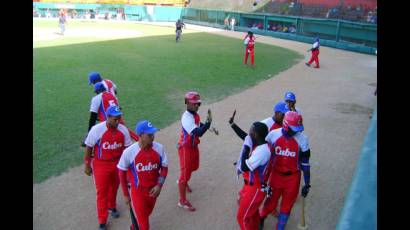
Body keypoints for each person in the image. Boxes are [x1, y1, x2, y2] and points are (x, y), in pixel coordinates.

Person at [258, 111, 311, 230]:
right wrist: (262, 178)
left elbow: (305, 164)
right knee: (270, 202)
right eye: (294, 128)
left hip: (293, 178)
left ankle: (280, 227)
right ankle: (261, 217)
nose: (297, 131)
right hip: (276, 176)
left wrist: (307, 183)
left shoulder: (303, 139)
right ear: (286, 125)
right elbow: (264, 155)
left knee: (287, 206)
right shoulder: (272, 135)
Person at [84, 105, 132, 230]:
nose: (117, 121)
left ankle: (112, 206)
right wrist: (87, 164)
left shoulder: (123, 130)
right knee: (102, 192)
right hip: (101, 164)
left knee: (114, 187)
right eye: (115, 119)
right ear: (108, 117)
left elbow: (127, 150)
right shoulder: (96, 129)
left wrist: (128, 168)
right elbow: (89, 147)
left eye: (119, 118)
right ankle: (102, 220)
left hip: (117, 164)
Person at [118, 120, 168, 230]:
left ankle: (133, 227)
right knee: (145, 225)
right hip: (137, 192)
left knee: (146, 215)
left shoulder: (160, 148)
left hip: (153, 191)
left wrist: (159, 186)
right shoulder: (129, 152)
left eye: (153, 134)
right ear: (140, 135)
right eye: (149, 135)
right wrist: (126, 195)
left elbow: (164, 168)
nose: (153, 137)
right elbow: (121, 172)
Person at [177, 91, 212, 211]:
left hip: (193, 147)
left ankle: (184, 180)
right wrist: (208, 124)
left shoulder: (194, 115)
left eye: (198, 104)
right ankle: (182, 201)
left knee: (194, 167)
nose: (197, 106)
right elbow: (199, 132)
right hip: (186, 148)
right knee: (185, 174)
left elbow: (198, 124)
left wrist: (209, 127)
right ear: (187, 103)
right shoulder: (186, 118)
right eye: (194, 103)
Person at [236, 122, 272, 230]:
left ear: (256, 135)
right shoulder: (262, 144)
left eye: (251, 131)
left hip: (255, 189)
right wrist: (233, 124)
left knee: (242, 217)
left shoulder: (262, 151)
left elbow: (244, 167)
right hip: (252, 186)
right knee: (253, 213)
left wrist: (246, 148)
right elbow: (245, 137)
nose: (249, 133)